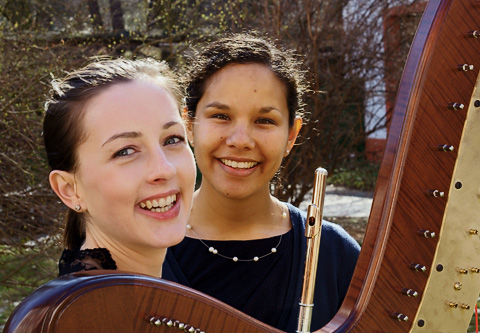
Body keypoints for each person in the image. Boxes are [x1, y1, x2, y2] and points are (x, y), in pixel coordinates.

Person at [162, 33, 361, 331]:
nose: (241, 141)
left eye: (264, 121)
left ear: (291, 135)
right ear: (189, 124)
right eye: (221, 115)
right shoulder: (146, 245)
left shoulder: (333, 253)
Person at [44, 58, 196, 278]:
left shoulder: (166, 286)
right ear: (69, 189)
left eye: (172, 139)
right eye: (125, 151)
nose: (165, 169)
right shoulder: (87, 310)